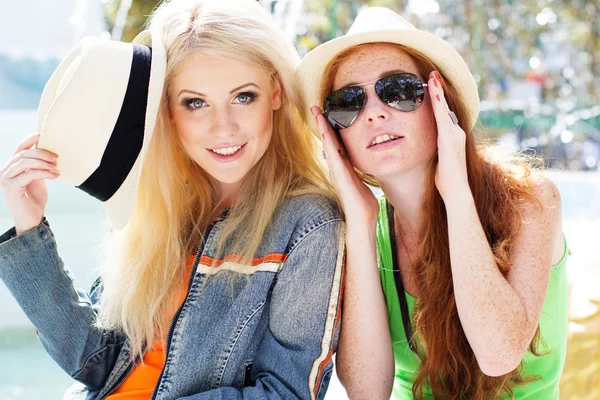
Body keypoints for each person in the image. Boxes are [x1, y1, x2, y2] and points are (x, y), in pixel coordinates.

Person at [0, 0, 344, 399]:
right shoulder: (159, 205)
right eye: (195, 102)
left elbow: (286, 392)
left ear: (276, 93)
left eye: (243, 96)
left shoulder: (309, 223)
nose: (223, 128)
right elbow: (93, 360)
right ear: (168, 111)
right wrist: (29, 224)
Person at [298, 7, 567, 400]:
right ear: (336, 138)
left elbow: (498, 354)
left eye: (399, 90)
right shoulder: (357, 231)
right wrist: (359, 223)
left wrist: (456, 193)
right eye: (348, 103)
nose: (374, 112)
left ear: (441, 102)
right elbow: (368, 392)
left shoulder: (529, 200)